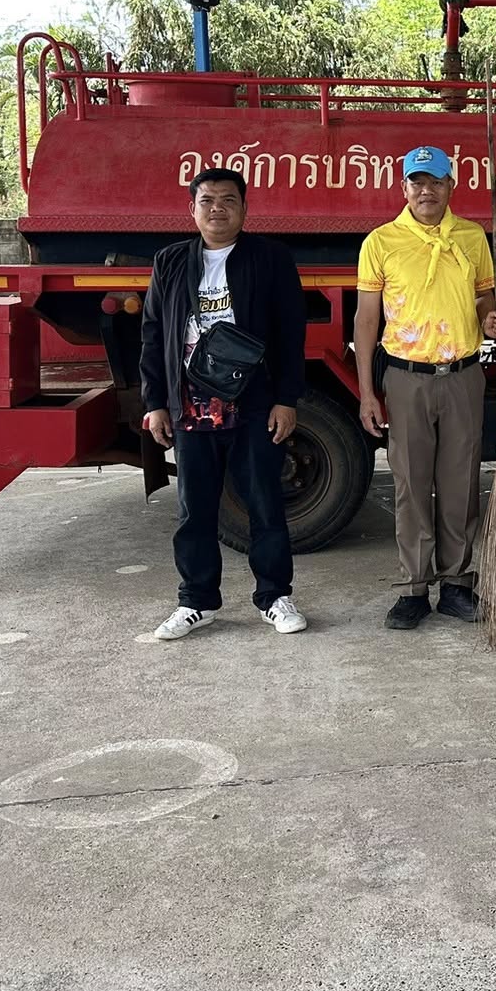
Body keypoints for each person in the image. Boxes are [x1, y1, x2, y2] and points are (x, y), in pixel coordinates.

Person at [139, 167, 309, 642]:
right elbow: (153, 334)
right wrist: (155, 402)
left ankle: (274, 596)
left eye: (229, 200)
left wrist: (286, 399)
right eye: (207, 200)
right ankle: (196, 601)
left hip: (253, 404)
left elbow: (291, 333)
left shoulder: (270, 258)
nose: (218, 209)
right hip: (190, 405)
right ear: (192, 209)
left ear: (245, 208)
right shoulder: (171, 261)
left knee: (264, 504)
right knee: (194, 510)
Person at [354, 146, 496, 631]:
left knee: (461, 485)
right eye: (417, 182)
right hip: (406, 378)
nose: (427, 191)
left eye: (436, 181)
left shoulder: (471, 236)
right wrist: (366, 392)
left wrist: (491, 318)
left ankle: (457, 584)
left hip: (462, 374)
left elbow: (484, 296)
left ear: (450, 186)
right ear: (404, 187)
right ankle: (414, 589)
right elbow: (366, 319)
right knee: (411, 485)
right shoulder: (381, 242)